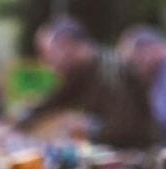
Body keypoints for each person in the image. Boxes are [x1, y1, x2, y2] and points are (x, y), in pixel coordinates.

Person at [19, 17, 153, 148]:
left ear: (67, 45)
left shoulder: (110, 72)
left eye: (48, 53)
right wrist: (19, 123)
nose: (47, 63)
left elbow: (123, 129)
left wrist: (85, 127)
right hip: (111, 153)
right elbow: (53, 101)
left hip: (136, 157)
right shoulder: (79, 71)